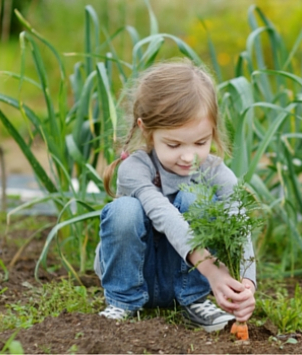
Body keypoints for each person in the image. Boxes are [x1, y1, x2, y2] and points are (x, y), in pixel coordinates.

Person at [94, 58, 256, 333]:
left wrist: (247, 284)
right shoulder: (135, 168)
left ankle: (193, 301)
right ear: (147, 130)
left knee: (199, 199)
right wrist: (211, 269)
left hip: (187, 281)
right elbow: (164, 215)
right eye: (174, 144)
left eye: (201, 142)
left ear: (213, 131)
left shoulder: (216, 172)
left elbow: (238, 221)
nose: (188, 156)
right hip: (139, 274)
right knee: (125, 210)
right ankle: (122, 302)